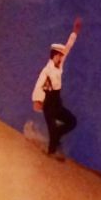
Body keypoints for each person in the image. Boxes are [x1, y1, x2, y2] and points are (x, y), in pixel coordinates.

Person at [32, 17, 82, 158]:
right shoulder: (47, 70)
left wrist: (75, 32)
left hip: (57, 103)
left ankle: (56, 138)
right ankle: (51, 153)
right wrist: (37, 100)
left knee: (72, 121)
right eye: (60, 55)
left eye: (62, 56)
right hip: (48, 104)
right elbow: (39, 84)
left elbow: (68, 47)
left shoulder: (59, 66)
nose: (62, 57)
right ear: (55, 55)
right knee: (53, 131)